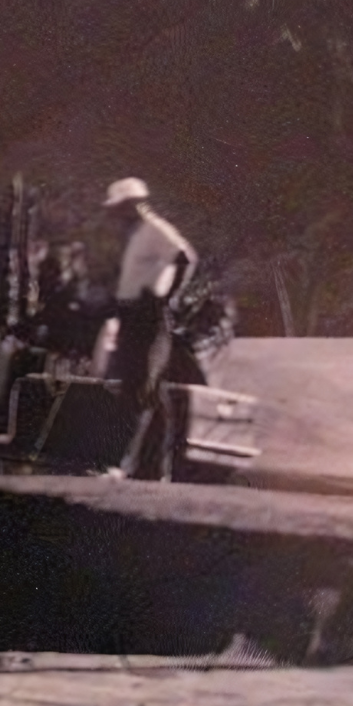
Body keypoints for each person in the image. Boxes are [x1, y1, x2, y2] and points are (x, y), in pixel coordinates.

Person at [97, 178, 197, 481]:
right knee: (146, 390)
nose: (116, 215)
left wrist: (167, 296)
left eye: (119, 208)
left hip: (147, 314)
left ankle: (129, 464)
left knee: (140, 387)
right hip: (132, 314)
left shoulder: (155, 229)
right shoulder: (138, 234)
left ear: (134, 204)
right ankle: (151, 468)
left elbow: (184, 257)